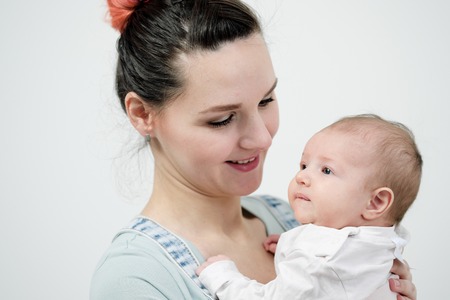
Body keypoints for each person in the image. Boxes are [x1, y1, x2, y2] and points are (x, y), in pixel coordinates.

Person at [90, 1, 417, 299]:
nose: (262, 138)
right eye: (222, 119)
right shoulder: (136, 278)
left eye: (266, 100)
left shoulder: (298, 221)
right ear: (142, 114)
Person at [196, 114, 422, 299]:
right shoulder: (379, 247)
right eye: (304, 165)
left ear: (376, 202)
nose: (302, 176)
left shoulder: (320, 258)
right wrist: (291, 245)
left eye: (326, 170)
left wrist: (224, 278)